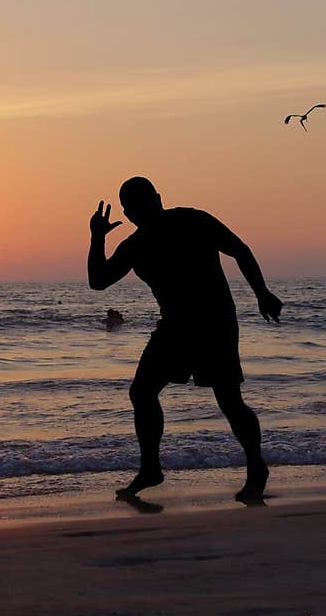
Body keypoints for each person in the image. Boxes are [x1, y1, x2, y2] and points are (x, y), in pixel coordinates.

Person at [87, 176, 283, 502]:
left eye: (142, 204)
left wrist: (262, 293)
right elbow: (98, 282)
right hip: (174, 327)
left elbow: (240, 250)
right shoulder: (136, 244)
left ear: (157, 199)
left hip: (214, 322)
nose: (138, 213)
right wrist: (96, 238)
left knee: (229, 400)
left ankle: (256, 467)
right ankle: (150, 468)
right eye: (133, 209)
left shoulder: (193, 219)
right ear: (129, 213)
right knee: (142, 392)